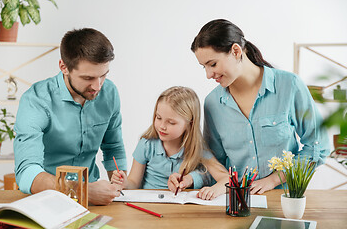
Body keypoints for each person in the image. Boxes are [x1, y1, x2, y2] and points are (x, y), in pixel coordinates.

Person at [190, 19, 329, 195]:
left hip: (284, 200)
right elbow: (215, 163)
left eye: (213, 64)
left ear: (235, 51)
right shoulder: (213, 103)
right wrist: (191, 179)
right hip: (236, 202)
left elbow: (318, 147)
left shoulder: (289, 85)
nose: (208, 75)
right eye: (204, 67)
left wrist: (274, 180)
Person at [14, 28, 127, 205]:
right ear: (64, 67)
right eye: (88, 78)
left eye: (103, 75)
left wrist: (119, 186)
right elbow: (27, 173)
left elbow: (113, 146)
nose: (98, 86)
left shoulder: (109, 92)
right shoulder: (36, 100)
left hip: (95, 201)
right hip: (45, 199)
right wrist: (82, 191)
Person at [111, 86, 229, 200]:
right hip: (149, 207)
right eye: (158, 117)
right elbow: (134, 183)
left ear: (190, 124)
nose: (162, 126)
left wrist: (215, 189)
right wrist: (125, 183)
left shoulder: (197, 148)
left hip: (181, 212)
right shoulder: (146, 145)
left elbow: (227, 178)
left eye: (171, 123)